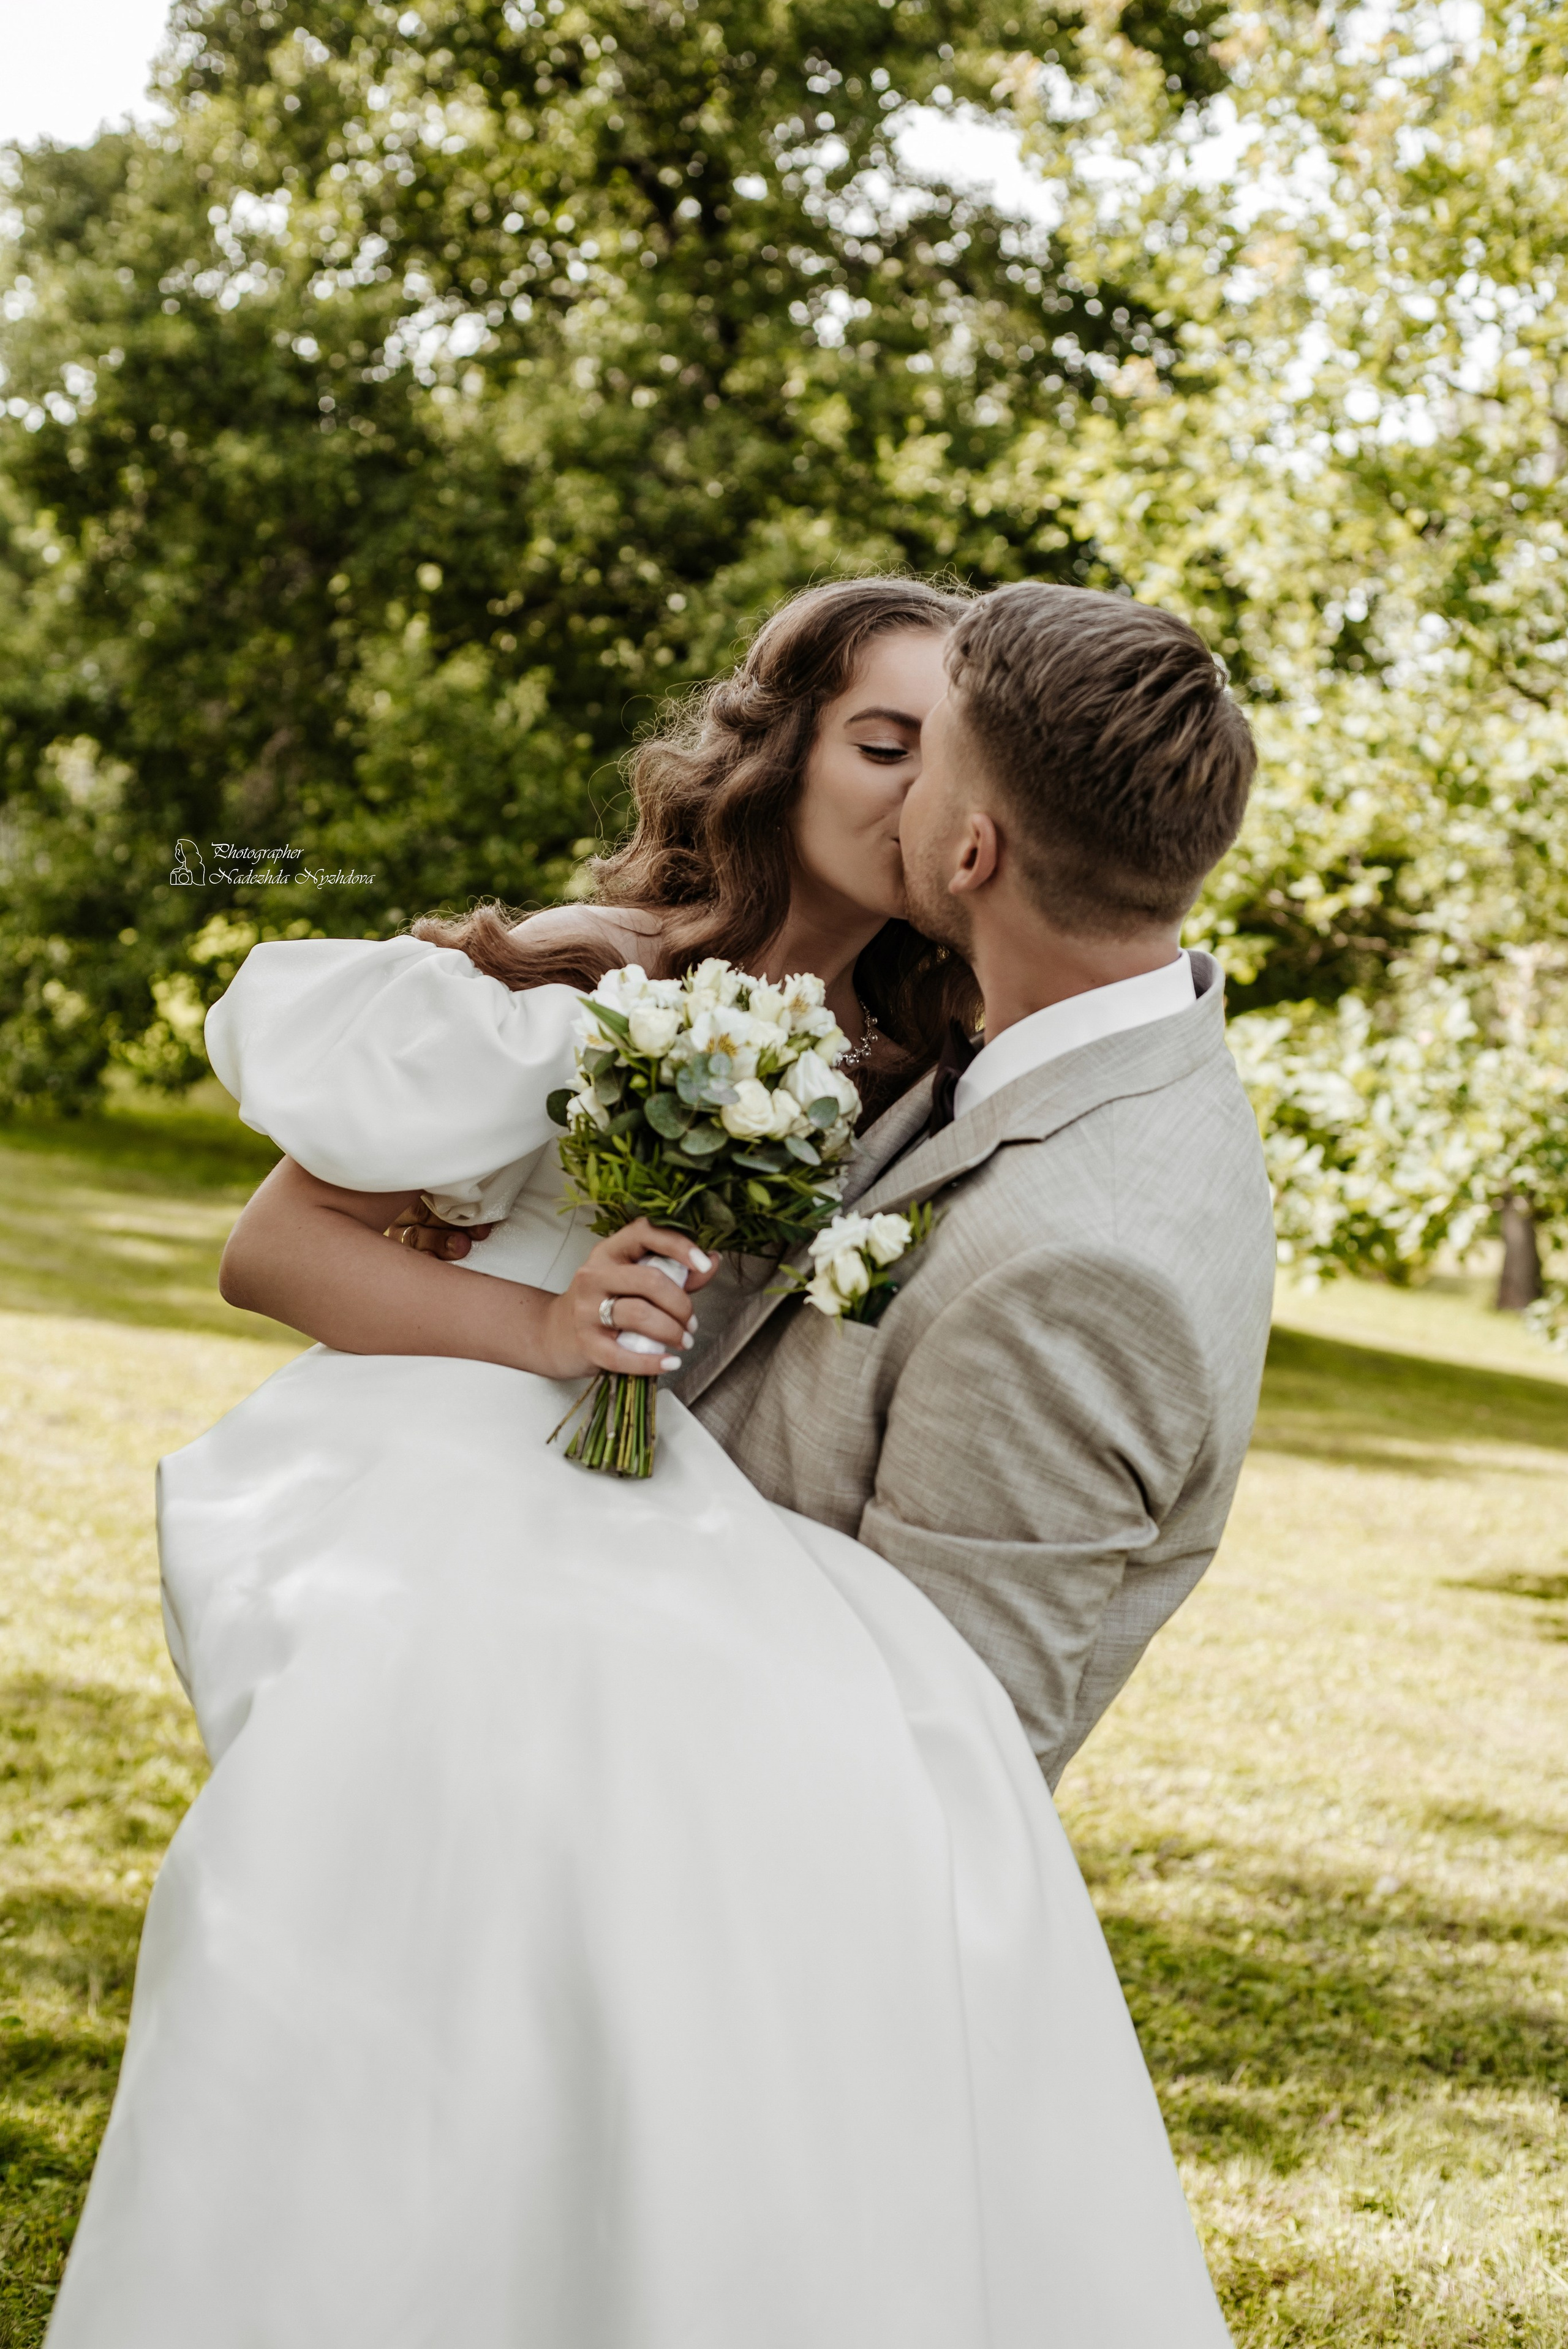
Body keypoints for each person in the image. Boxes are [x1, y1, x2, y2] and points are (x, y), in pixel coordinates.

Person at [47, 578, 1265, 2349]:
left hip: (670, 1569)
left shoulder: (934, 1065)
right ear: (781, 756)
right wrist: (547, 1334)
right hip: (474, 1485)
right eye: (878, 740)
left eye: (941, 757)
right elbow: (270, 1251)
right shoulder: (593, 974)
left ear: (982, 839)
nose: (909, 791)